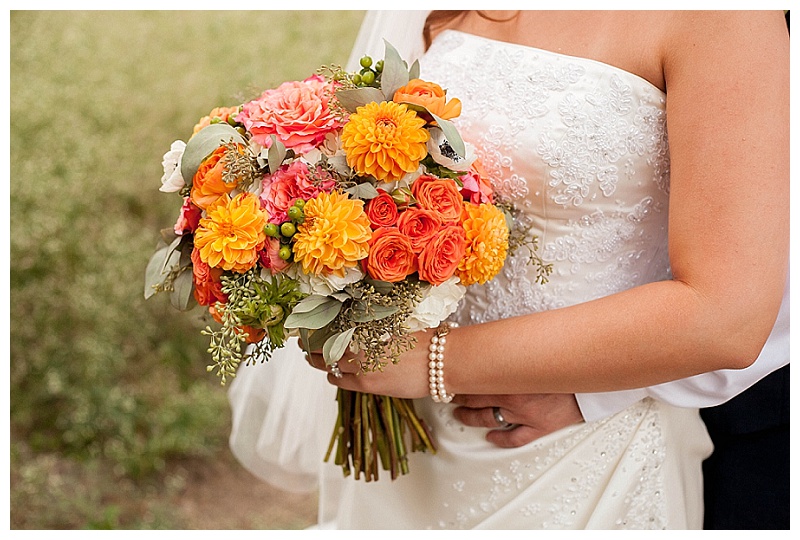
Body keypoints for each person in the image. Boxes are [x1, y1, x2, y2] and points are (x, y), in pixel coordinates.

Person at [228, 10, 789, 529]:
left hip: (583, 445)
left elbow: (726, 315)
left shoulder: (722, 16)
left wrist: (435, 362)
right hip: (414, 435)